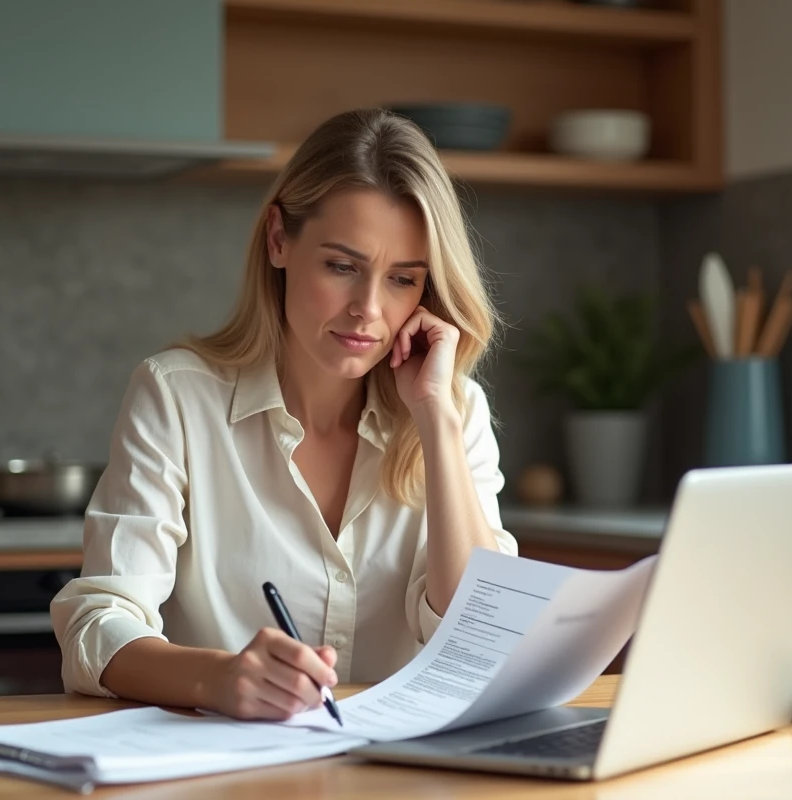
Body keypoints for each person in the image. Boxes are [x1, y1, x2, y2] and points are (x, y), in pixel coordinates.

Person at [51, 108, 517, 722]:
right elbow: (97, 625)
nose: (368, 310)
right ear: (279, 240)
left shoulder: (454, 413)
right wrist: (219, 678)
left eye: (403, 279)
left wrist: (435, 418)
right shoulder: (177, 396)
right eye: (342, 267)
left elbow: (479, 639)